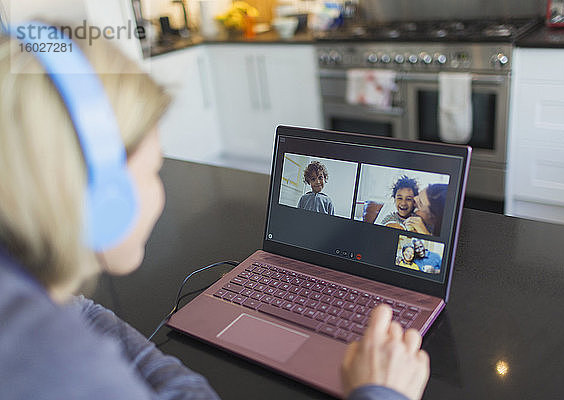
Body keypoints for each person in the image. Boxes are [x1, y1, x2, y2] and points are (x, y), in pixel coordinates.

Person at [0, 25, 429, 400]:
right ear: (104, 199)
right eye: (154, 169)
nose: (161, 188)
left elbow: (83, 313)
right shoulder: (57, 368)